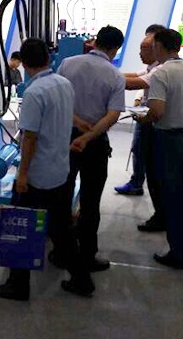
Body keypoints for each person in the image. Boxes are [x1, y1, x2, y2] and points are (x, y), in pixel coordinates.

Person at [0, 39, 94, 301]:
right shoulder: (63, 84)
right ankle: (82, 279)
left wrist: (22, 175)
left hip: (37, 176)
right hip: (59, 170)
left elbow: (30, 138)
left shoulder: (34, 93)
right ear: (48, 58)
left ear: (24, 64)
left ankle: (17, 285)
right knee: (61, 229)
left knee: (21, 228)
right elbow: (65, 117)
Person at [134, 28, 183, 269]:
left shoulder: (161, 73)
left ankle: (178, 253)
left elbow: (157, 111)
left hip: (170, 140)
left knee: (173, 196)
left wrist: (143, 118)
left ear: (159, 47)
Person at [57, 25, 126, 272]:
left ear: (95, 41)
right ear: (115, 49)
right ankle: (87, 255)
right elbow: (113, 114)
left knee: (62, 196)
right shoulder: (115, 75)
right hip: (95, 142)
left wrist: (77, 122)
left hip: (66, 138)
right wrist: (88, 136)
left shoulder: (67, 64)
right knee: (90, 200)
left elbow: (60, 100)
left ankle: (61, 252)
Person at [115, 24, 166, 222]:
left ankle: (156, 208)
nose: (139, 53)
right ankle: (136, 182)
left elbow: (134, 83)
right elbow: (134, 75)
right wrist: (107, 71)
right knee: (139, 150)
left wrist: (102, 75)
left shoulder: (160, 70)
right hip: (146, 115)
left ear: (156, 49)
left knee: (147, 156)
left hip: (152, 118)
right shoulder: (152, 68)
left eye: (144, 49)